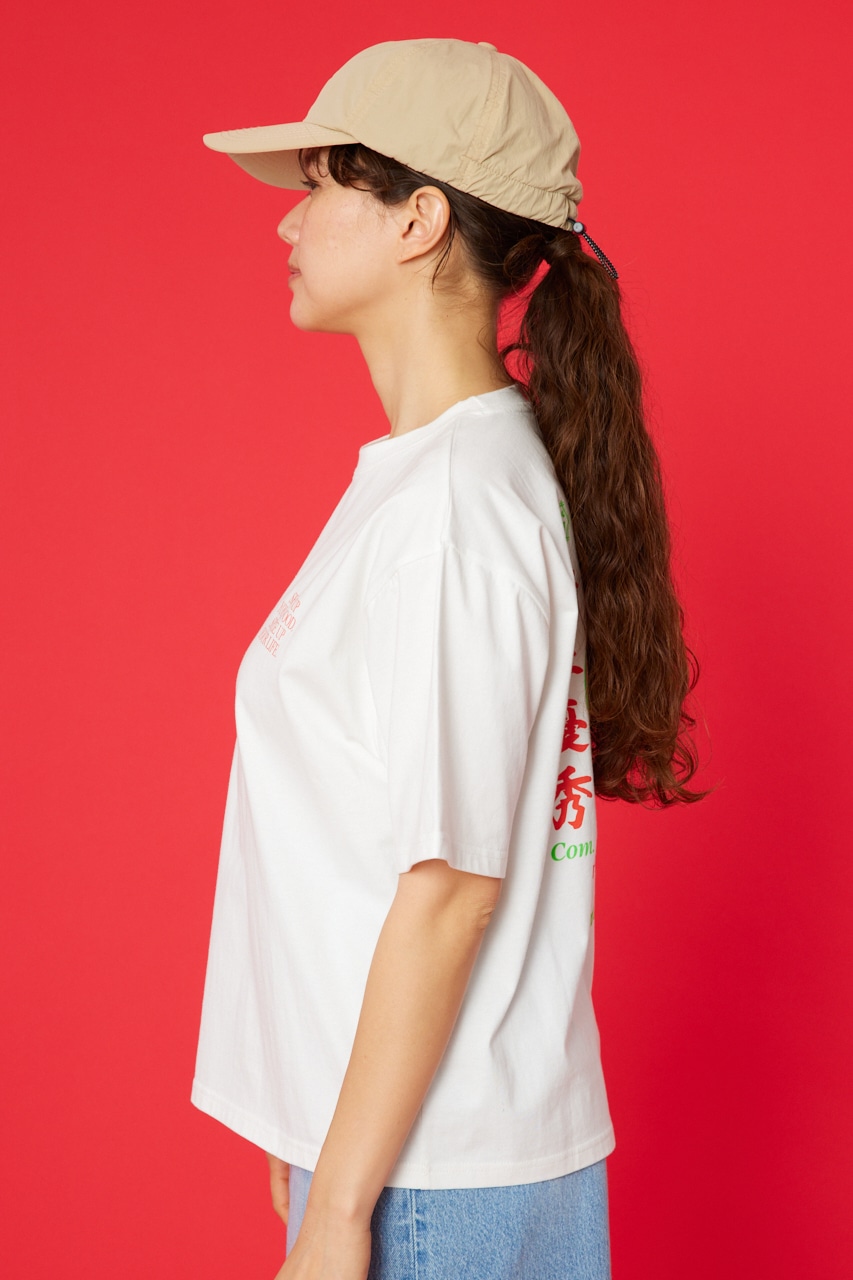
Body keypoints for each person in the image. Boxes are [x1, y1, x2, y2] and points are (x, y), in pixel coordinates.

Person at [191, 36, 710, 1280]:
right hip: (422, 1144)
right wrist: (315, 1116)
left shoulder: (454, 505)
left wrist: (341, 1206)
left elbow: (450, 884)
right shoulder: (455, 476)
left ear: (419, 219)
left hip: (427, 1177)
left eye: (321, 184)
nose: (288, 222)